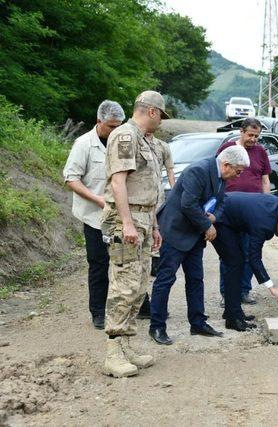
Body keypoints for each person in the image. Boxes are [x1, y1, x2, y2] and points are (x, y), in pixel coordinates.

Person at [148, 146, 250, 345]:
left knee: (196, 279)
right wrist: (207, 226)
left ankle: (197, 322)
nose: (237, 177)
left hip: (194, 235)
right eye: (237, 171)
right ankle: (157, 326)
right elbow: (188, 204)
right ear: (226, 164)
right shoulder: (199, 170)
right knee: (165, 279)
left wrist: (214, 218)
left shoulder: (222, 176)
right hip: (175, 231)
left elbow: (221, 202)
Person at [100, 90, 168, 377]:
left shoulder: (148, 142)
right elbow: (118, 182)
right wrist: (127, 223)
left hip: (143, 217)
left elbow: (149, 188)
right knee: (123, 285)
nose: (162, 121)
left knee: (139, 285)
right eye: (161, 115)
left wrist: (153, 225)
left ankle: (127, 346)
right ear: (151, 111)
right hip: (125, 220)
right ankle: (112, 353)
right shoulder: (125, 136)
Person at [63, 100, 125, 330]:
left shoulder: (122, 142)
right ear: (99, 122)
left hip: (121, 214)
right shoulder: (84, 144)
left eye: (119, 125)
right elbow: (71, 178)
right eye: (111, 126)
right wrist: (98, 199)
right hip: (94, 216)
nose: (115, 131)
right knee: (99, 263)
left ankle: (136, 306)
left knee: (128, 261)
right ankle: (98, 311)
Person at [210, 192, 278, 331]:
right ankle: (232, 318)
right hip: (220, 218)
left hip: (233, 219)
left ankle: (235, 312)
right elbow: (254, 258)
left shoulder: (277, 204)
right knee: (234, 263)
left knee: (239, 262)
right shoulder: (264, 225)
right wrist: (272, 287)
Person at [216, 118, 271, 306]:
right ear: (241, 131)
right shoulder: (228, 148)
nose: (253, 139)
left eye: (257, 136)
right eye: (250, 135)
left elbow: (265, 180)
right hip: (229, 211)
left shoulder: (261, 152)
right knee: (229, 253)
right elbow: (217, 176)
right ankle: (227, 293)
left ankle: (244, 290)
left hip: (253, 213)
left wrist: (266, 203)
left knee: (250, 252)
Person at [136, 131, 176, 319]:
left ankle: (155, 260)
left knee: (156, 235)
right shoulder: (134, 142)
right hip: (138, 201)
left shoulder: (162, 146)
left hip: (157, 197)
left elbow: (170, 171)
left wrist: (175, 197)